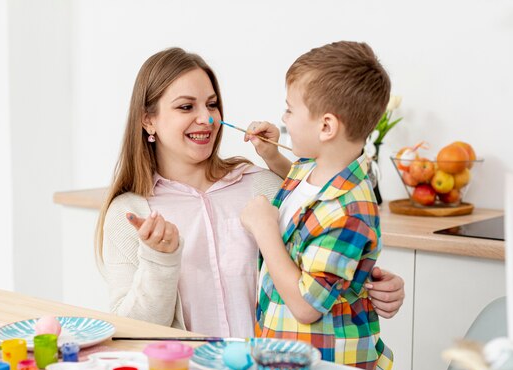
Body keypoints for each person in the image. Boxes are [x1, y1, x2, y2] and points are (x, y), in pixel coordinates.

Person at [94, 47, 404, 338]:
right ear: (148, 119)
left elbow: (320, 250)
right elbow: (132, 332)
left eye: (212, 104)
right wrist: (159, 258)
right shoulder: (130, 214)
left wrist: (368, 280)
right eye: (186, 106)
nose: (208, 118)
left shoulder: (261, 186)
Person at [240, 41, 393, 370]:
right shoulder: (311, 167)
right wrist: (272, 157)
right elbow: (306, 204)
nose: (283, 119)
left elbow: (307, 306)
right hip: (286, 353)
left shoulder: (352, 211)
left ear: (326, 126)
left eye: (290, 110)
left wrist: (265, 231)